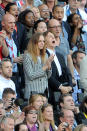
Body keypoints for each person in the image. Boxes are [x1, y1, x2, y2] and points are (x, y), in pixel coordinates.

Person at [44, 31, 72, 108]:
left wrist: (70, 85)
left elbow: (67, 71)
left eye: (53, 36)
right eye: (50, 36)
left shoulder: (60, 55)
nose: (53, 38)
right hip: (51, 90)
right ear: (44, 41)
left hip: (64, 89)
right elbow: (47, 75)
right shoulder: (43, 55)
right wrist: (60, 87)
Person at [23, 32, 54, 100]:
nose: (42, 43)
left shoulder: (45, 55)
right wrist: (45, 67)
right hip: (33, 93)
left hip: (44, 92)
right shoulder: (27, 56)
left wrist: (49, 66)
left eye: (43, 41)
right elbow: (30, 76)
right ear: (34, 42)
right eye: (40, 41)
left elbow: (48, 76)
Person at [48, 19, 75, 86]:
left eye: (59, 26)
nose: (57, 29)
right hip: (52, 77)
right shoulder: (46, 42)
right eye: (54, 27)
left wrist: (72, 77)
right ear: (48, 29)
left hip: (65, 75)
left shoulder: (64, 40)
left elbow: (69, 59)